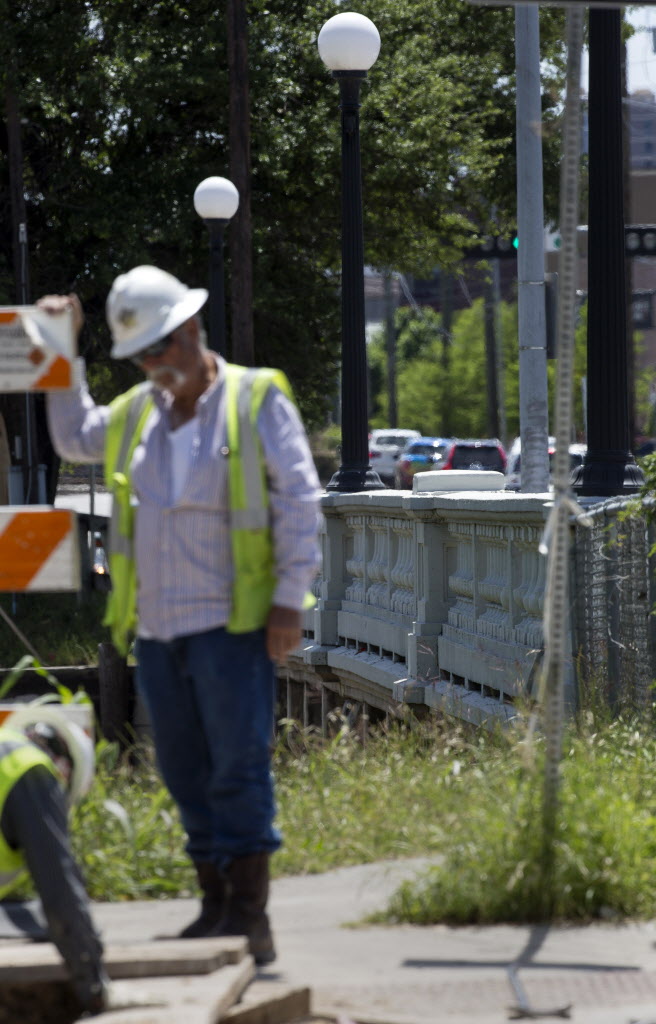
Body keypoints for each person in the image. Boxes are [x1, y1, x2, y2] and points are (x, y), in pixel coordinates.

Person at [40, 266, 321, 965]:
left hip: (233, 625)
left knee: (238, 766)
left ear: (192, 332)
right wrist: (61, 349)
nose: (151, 366)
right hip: (160, 631)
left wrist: (291, 598)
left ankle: (249, 916)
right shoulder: (138, 412)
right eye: (140, 356)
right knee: (184, 770)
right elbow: (74, 436)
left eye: (159, 349)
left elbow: (299, 500)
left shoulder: (254, 400)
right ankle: (214, 903)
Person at [0, 705, 109, 1015]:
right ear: (65, 770)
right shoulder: (31, 771)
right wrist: (92, 981)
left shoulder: (5, 747)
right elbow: (59, 887)